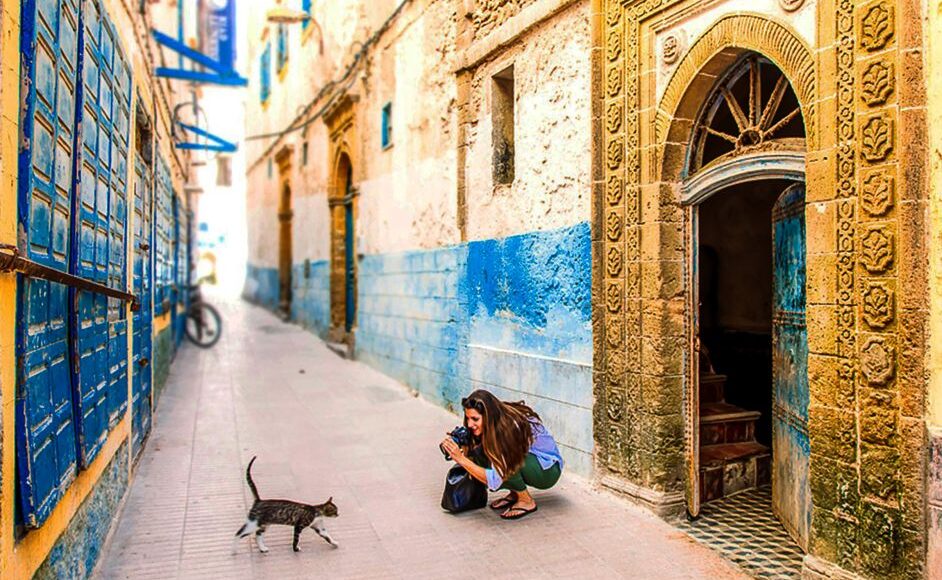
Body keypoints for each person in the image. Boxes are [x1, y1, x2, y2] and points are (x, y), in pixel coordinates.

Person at [439, 389, 563, 520]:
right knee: (483, 454)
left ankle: (526, 500)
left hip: (548, 470)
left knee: (504, 459)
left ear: (488, 416)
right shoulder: (496, 419)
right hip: (531, 460)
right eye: (468, 418)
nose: (470, 424)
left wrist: (461, 459)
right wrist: (463, 442)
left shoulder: (507, 430)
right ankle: (515, 494)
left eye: (475, 419)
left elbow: (493, 479)